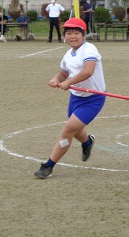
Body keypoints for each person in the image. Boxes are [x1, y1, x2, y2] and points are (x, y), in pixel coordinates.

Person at [34, 18, 106, 179]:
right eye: (69, 33)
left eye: (76, 33)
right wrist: (56, 79)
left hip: (94, 99)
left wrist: (68, 82)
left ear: (83, 35)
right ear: (65, 36)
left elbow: (88, 71)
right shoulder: (68, 54)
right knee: (75, 130)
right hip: (76, 97)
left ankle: (48, 166)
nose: (72, 36)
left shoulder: (89, 50)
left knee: (68, 129)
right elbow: (63, 72)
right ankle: (87, 143)